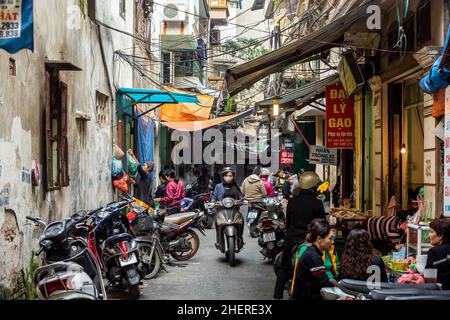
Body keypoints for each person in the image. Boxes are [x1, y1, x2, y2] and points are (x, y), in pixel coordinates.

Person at [274, 171, 326, 299]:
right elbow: (322, 224)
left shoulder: (292, 201)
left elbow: (289, 223)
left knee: (284, 268)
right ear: (313, 188)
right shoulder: (317, 203)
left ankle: (277, 294)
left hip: (291, 239)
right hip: (307, 241)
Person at [291, 219, 337, 300]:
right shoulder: (313, 257)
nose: (332, 242)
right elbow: (324, 282)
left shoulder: (313, 252)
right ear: (319, 239)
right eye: (330, 238)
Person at [425, 218, 450, 290]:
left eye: (431, 232)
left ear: (440, 236)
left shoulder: (434, 251)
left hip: (440, 292)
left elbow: (428, 278)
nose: (429, 235)